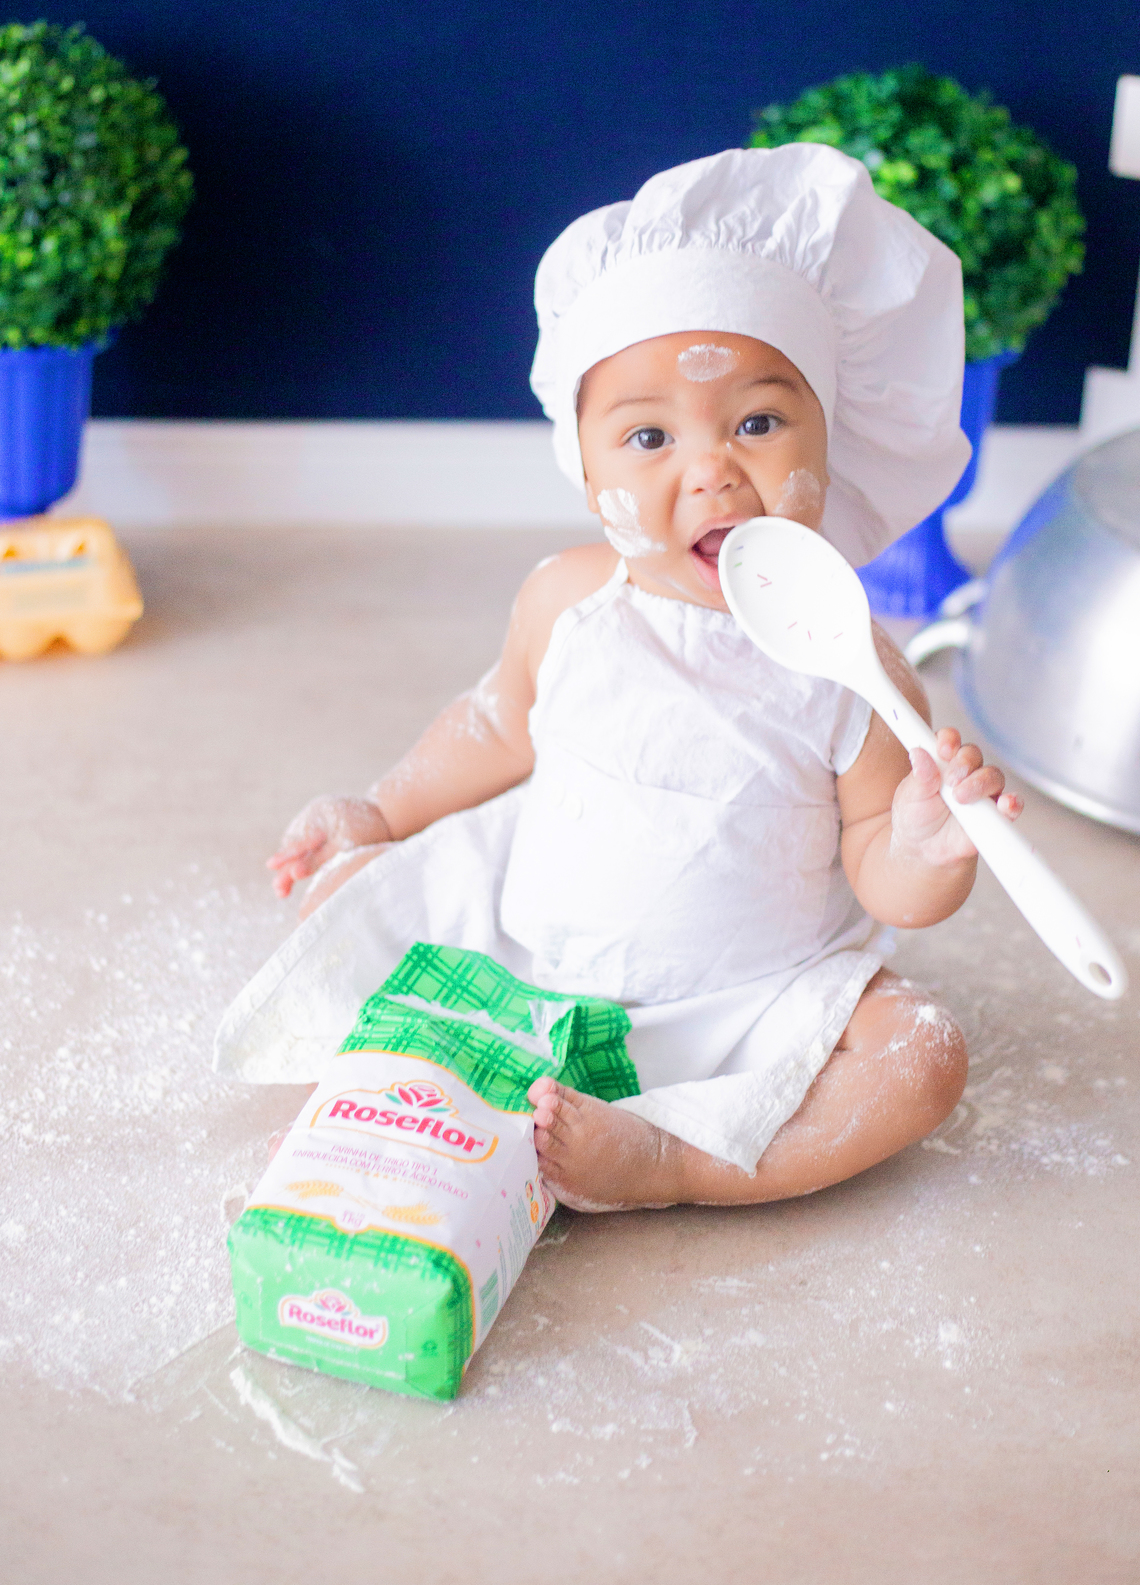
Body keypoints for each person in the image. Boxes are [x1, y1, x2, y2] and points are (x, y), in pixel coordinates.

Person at [248, 144, 1022, 1212]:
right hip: (538, 951)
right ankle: (481, 1066)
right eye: (649, 436)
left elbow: (881, 868)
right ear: (585, 463)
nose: (710, 470)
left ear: (829, 440)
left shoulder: (852, 663)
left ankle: (684, 1159)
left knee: (923, 1057)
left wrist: (931, 844)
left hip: (751, 998)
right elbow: (493, 723)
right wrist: (377, 810)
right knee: (343, 897)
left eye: (757, 421)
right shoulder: (570, 602)